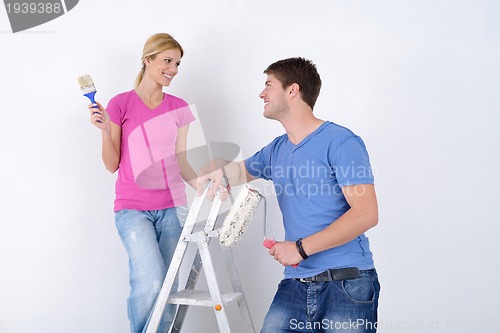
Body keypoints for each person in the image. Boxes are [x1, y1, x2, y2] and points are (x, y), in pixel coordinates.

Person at [198, 57, 380, 332]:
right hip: (297, 284)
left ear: (292, 90)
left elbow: (366, 214)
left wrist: (299, 248)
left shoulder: (342, 142)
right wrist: (212, 171)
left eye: (269, 85)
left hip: (346, 283)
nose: (262, 93)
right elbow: (235, 172)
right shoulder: (276, 150)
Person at [88, 33, 198, 333]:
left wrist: (203, 186)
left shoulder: (180, 107)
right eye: (167, 61)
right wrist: (104, 129)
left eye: (177, 63)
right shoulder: (121, 103)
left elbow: (182, 162)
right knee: (150, 282)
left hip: (173, 209)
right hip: (133, 210)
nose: (173, 69)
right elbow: (112, 165)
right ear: (147, 60)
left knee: (170, 287)